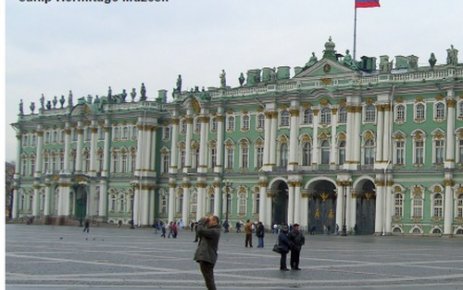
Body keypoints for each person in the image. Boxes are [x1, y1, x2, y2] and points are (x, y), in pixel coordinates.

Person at [193, 215, 221, 290]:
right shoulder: (211, 230)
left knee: (209, 280)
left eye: (210, 220)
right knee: (208, 280)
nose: (208, 221)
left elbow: (200, 230)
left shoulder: (214, 231)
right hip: (206, 257)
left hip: (207, 258)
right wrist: (204, 223)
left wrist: (202, 221)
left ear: (215, 221)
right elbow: (199, 233)